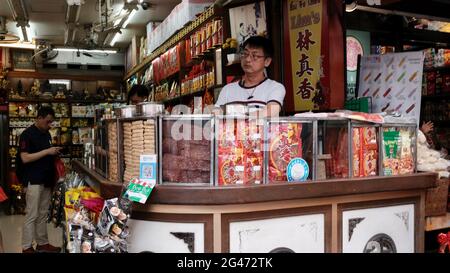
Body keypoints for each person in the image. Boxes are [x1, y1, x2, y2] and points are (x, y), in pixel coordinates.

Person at [17, 106, 62, 253]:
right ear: (39, 118)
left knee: (43, 214)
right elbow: (25, 158)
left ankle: (42, 243)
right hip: (33, 180)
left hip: (46, 180)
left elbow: (47, 154)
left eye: (51, 122)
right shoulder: (27, 134)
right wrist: (47, 151)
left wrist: (54, 153)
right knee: (32, 214)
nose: (49, 125)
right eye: (48, 122)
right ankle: (26, 247)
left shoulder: (47, 134)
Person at [215, 36, 286, 117]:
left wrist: (232, 112)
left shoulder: (275, 87)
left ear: (267, 61)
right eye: (245, 54)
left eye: (255, 56)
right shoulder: (227, 90)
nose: (248, 59)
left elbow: (271, 112)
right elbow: (216, 114)